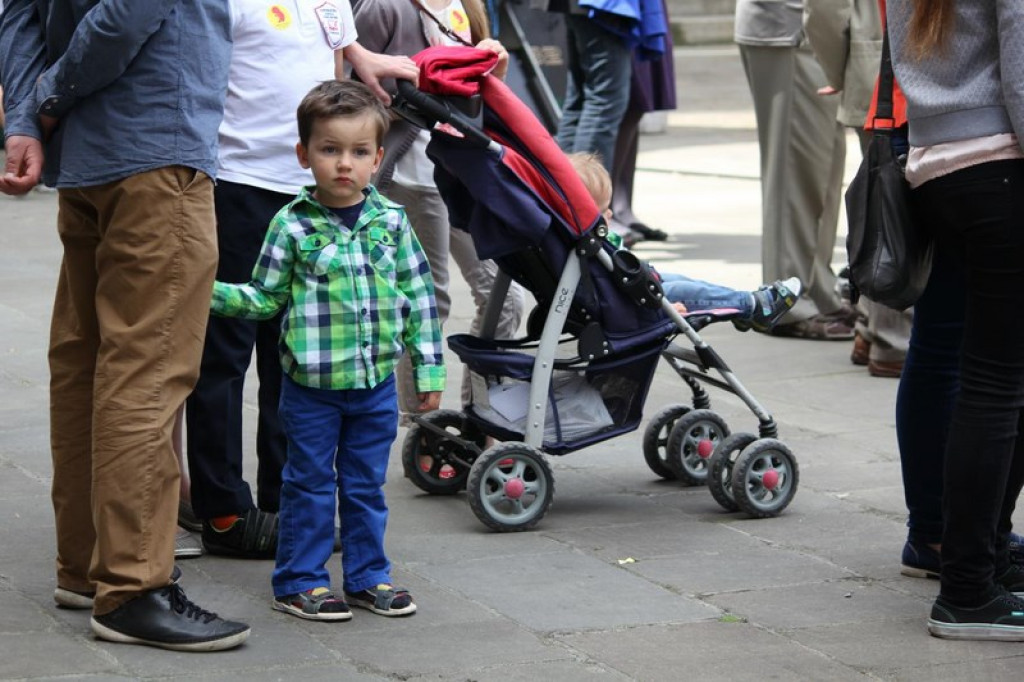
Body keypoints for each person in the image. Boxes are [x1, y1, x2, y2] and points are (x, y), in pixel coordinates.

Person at [0, 0, 249, 651]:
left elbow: (20, 13)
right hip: (156, 150)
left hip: (89, 157)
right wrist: (49, 96)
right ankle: (133, 587)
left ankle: (87, 569)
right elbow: (128, 12)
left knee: (85, 369)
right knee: (147, 369)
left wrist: (27, 117)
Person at [185, 0, 421, 559]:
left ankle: (285, 504)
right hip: (238, 183)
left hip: (314, 198)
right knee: (223, 356)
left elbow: (331, 53)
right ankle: (222, 512)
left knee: (294, 354)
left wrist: (361, 56)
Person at [210, 79, 444, 621]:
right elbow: (265, 299)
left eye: (359, 152)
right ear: (303, 153)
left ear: (377, 158)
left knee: (366, 486)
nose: (345, 164)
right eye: (330, 150)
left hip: (376, 386)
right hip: (311, 391)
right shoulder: (290, 225)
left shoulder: (391, 223)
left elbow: (419, 298)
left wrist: (428, 370)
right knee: (309, 485)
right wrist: (207, 292)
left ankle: (367, 576)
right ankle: (300, 581)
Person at [887, 0, 1024, 640]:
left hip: (939, 158)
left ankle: (983, 561)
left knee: (991, 379)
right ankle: (968, 590)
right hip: (999, 160)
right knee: (996, 384)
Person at [353, 0, 525, 419]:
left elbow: (474, 106)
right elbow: (347, 98)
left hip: (463, 173)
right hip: (411, 179)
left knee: (505, 300)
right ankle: (424, 426)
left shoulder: (468, 7)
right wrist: (414, 99)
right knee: (429, 303)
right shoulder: (385, 8)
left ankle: (481, 412)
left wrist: (493, 74)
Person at [568, 152, 801, 332]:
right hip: (625, 301)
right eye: (602, 211)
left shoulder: (576, 239)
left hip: (627, 289)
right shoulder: (587, 244)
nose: (609, 215)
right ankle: (755, 305)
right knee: (685, 290)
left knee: (683, 281)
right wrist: (662, 310)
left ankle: (743, 306)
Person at [734, 0, 855, 340]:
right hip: (794, 27)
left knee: (821, 175)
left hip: (806, 28)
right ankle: (786, 302)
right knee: (795, 177)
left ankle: (815, 290)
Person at [803, 0, 912, 377]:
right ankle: (890, 341)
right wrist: (841, 69)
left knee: (887, 207)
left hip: (886, 79)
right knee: (899, 216)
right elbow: (824, 9)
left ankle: (871, 328)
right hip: (895, 84)